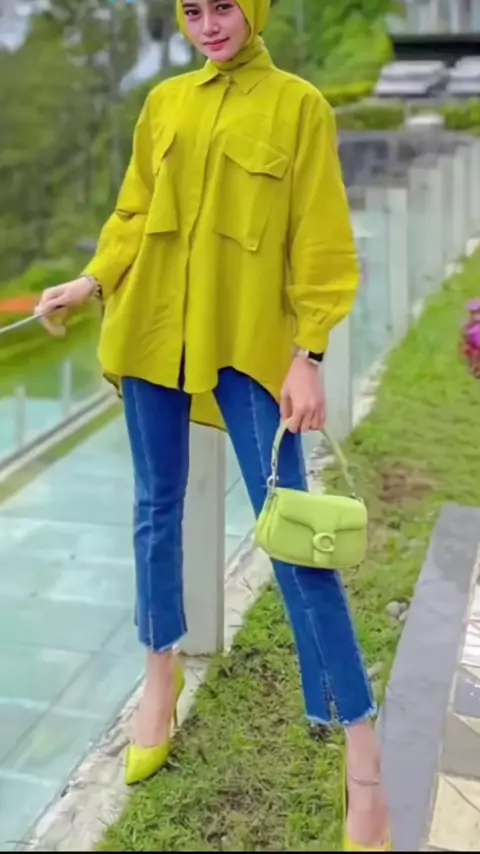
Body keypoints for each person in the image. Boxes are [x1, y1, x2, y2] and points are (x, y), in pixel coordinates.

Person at [35, 0, 391, 849]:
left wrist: (307, 353)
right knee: (156, 509)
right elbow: (133, 213)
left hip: (249, 345)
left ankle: (363, 755)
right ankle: (159, 681)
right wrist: (90, 281)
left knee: (294, 532)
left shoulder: (299, 105)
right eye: (192, 10)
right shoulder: (165, 103)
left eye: (224, 6)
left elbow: (322, 242)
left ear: (253, 8)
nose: (209, 25)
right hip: (152, 330)